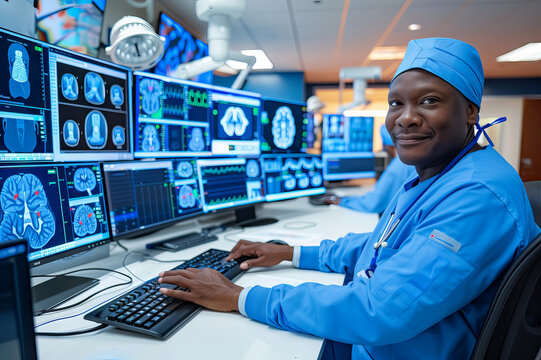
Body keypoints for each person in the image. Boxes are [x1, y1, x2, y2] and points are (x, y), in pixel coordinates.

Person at [157, 38, 541, 359]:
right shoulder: (440, 173)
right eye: (396, 103)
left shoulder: (476, 195)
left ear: (471, 111)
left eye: (428, 101)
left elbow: (377, 312)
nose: (405, 118)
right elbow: (385, 244)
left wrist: (240, 296)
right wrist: (290, 253)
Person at [325, 125, 416, 213]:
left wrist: (340, 201)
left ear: (387, 145)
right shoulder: (411, 159)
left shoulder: (398, 165)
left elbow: (374, 203)